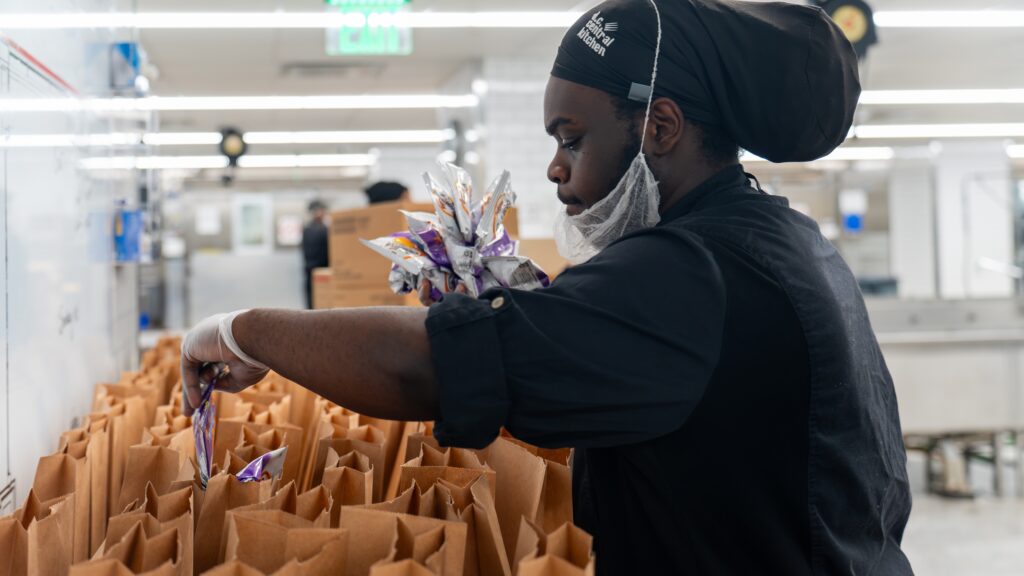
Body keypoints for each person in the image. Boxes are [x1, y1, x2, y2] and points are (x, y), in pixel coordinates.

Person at [181, 1, 914, 574]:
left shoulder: (692, 271)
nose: (556, 170)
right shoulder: (780, 241)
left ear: (659, 126)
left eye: (572, 138)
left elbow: (432, 365)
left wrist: (242, 329)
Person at [300, 199, 329, 309]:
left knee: (311, 306)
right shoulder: (322, 230)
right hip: (321, 272)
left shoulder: (307, 229)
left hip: (309, 272)